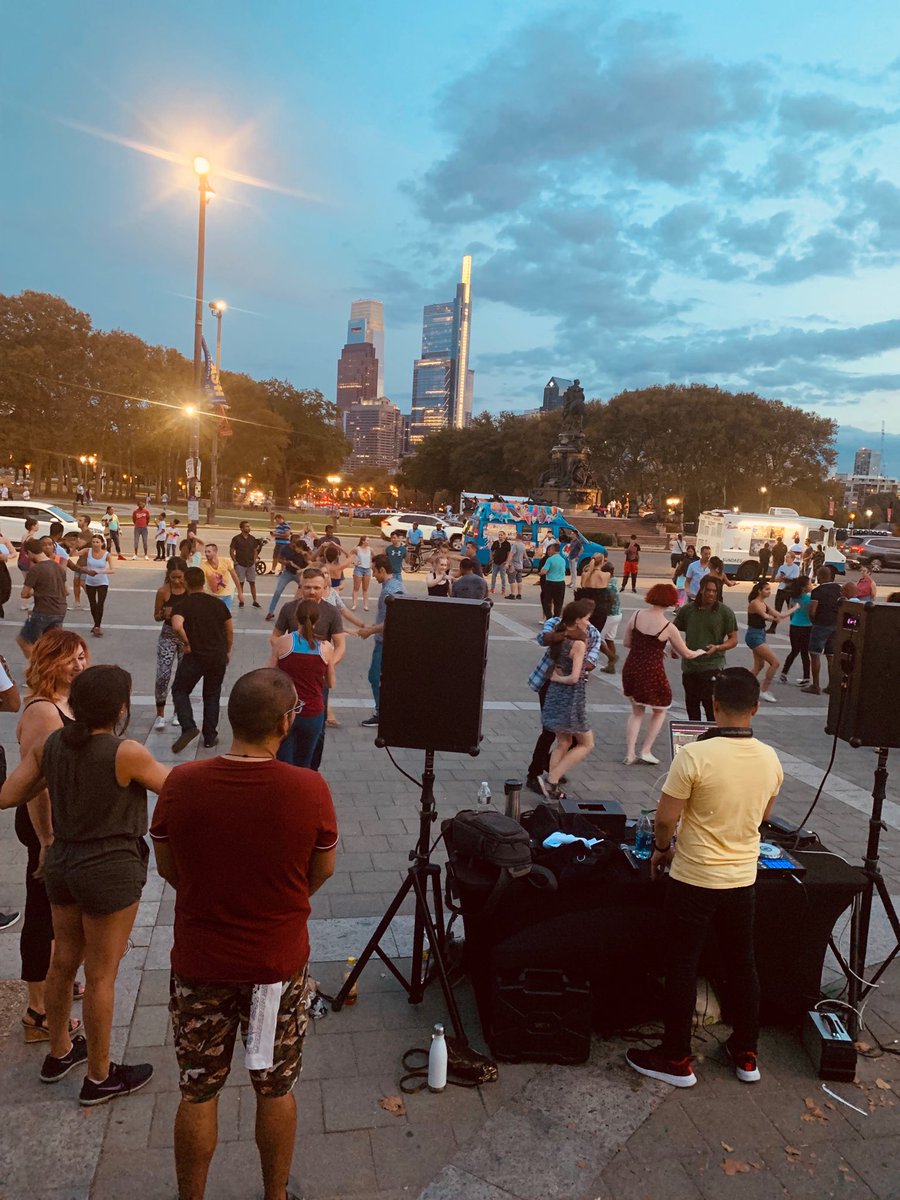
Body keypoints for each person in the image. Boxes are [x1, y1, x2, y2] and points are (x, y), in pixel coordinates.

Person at [149, 669, 337, 1200]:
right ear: (284, 723)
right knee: (275, 1087)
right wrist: (278, 903)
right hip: (275, 967)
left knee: (198, 1090)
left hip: (200, 963)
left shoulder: (182, 782)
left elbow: (168, 866)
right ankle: (274, 1195)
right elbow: (319, 872)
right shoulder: (309, 788)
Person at [0, 665, 169, 1105]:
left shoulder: (51, 744)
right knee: (101, 976)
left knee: (63, 965)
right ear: (120, 708)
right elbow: (175, 788)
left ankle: (58, 1052)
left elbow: (8, 795)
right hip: (109, 870)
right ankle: (99, 1077)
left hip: (63, 863)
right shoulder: (124, 751)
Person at [625, 668, 783, 1089]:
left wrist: (662, 850)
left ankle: (676, 1056)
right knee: (742, 963)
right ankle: (746, 1052)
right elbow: (764, 817)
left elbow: (665, 819)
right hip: (742, 878)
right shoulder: (770, 758)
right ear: (754, 709)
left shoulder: (694, 755)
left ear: (714, 706)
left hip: (694, 877)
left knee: (682, 963)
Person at [12, 631, 88, 1043]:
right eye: (69, 659)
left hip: (63, 825)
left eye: (82, 658)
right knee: (41, 915)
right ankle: (37, 1011)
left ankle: (58, 985)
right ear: (47, 663)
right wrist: (47, 840)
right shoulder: (42, 710)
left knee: (58, 914)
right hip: (46, 826)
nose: (78, 666)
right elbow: (36, 784)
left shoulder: (65, 702)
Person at [621, 583, 706, 765]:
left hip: (632, 667)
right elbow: (686, 654)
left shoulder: (636, 616)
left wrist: (649, 649)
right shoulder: (667, 626)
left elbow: (627, 642)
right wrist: (700, 651)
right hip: (652, 670)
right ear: (671, 601)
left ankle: (629, 753)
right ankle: (645, 750)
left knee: (637, 711)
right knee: (661, 709)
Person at [525, 598, 601, 795]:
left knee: (565, 740)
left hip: (559, 687)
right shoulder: (559, 626)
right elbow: (543, 639)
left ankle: (552, 775)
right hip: (559, 689)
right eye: (587, 618)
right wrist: (560, 674)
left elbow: (591, 660)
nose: (589, 622)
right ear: (577, 618)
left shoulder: (590, 633)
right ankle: (546, 777)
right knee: (573, 739)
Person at [272, 567, 348, 764]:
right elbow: (276, 636)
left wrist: (325, 665)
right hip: (289, 682)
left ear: (325, 588)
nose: (312, 591)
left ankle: (311, 772)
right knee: (284, 730)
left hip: (317, 682)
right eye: (308, 587)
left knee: (318, 732)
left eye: (317, 587)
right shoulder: (289, 608)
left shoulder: (331, 612)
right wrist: (284, 655)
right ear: (301, 586)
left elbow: (340, 645)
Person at [170, 567, 233, 752]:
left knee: (180, 690)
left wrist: (186, 642)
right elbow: (229, 629)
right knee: (212, 695)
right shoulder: (218, 604)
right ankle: (210, 737)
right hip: (217, 656)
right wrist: (228, 650)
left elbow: (176, 625)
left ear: (185, 582)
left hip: (195, 657)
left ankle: (188, 727)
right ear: (203, 582)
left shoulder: (183, 605)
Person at [269, 602, 335, 767]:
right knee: (304, 762)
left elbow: (270, 674)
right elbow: (331, 682)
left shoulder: (283, 642)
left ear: (296, 616)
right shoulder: (326, 647)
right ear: (317, 619)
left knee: (283, 762)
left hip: (285, 709)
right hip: (313, 712)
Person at [673, 577, 738, 720]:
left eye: (714, 591)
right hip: (690, 667)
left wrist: (718, 647)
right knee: (692, 708)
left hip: (713, 665)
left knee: (711, 709)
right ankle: (697, 740)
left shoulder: (724, 612)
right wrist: (676, 647)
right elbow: (673, 629)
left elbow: (734, 639)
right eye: (708, 590)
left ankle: (713, 739)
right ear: (701, 590)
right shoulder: (687, 610)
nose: (711, 594)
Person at [358, 554, 404, 727]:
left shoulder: (390, 590)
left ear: (382, 570)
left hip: (386, 642)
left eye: (374, 571)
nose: (373, 575)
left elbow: (393, 620)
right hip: (385, 640)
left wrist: (370, 630)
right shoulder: (393, 584)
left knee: (375, 676)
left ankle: (382, 713)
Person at [16, 539, 68, 659]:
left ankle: (37, 668)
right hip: (60, 610)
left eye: (27, 554)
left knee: (24, 640)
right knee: (52, 644)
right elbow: (66, 591)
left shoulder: (36, 569)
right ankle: (54, 667)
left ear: (30, 552)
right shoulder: (58, 567)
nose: (27, 557)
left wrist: (37, 592)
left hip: (43, 611)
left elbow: (24, 594)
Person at [153, 558, 188, 731]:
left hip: (185, 637)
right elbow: (156, 616)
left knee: (182, 676)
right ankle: (160, 714)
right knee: (163, 675)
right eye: (173, 577)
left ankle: (177, 712)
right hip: (167, 636)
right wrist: (163, 614)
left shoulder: (190, 591)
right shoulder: (163, 592)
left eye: (179, 577)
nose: (176, 581)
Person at [745, 580, 793, 702]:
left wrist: (795, 608)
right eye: (766, 589)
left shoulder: (764, 604)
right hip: (754, 635)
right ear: (759, 590)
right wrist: (775, 619)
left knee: (759, 665)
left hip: (760, 634)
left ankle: (743, 687)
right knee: (775, 662)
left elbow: (780, 615)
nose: (769, 592)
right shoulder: (755, 603)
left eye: (769, 589)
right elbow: (765, 617)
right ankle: (764, 690)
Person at [802, 566, 844, 697]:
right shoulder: (839, 589)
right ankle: (831, 685)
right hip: (835, 624)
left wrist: (812, 620)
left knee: (815, 654)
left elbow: (813, 610)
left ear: (819, 576)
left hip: (821, 624)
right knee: (831, 655)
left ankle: (816, 685)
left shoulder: (817, 591)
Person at [265, 534, 309, 621]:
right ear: (291, 542)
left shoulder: (304, 548)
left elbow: (312, 559)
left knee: (306, 591)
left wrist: (306, 555)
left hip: (300, 574)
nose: (297, 545)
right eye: (295, 543)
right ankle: (270, 611)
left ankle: (306, 612)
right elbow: (279, 559)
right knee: (278, 590)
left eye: (298, 543)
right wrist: (285, 563)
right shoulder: (285, 548)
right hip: (288, 572)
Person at [780, 576, 813, 687]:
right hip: (806, 626)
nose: (811, 585)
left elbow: (791, 611)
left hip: (794, 625)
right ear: (804, 588)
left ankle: (784, 672)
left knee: (794, 650)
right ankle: (806, 677)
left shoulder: (793, 598)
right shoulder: (809, 599)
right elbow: (811, 613)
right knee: (805, 652)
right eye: (809, 584)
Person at [80, 534, 114, 637]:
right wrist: (75, 545)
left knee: (100, 604)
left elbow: (112, 570)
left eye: (97, 542)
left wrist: (99, 571)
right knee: (92, 604)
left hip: (102, 582)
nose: (95, 544)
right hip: (90, 581)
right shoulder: (87, 551)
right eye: (93, 542)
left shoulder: (106, 554)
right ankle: (96, 624)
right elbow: (73, 554)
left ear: (102, 543)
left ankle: (97, 626)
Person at [229, 520, 262, 610]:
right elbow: (232, 550)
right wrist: (235, 561)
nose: (248, 528)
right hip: (240, 563)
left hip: (250, 564)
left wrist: (254, 561)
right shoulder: (236, 539)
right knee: (240, 583)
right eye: (246, 526)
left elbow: (255, 550)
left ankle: (255, 601)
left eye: (249, 526)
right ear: (242, 528)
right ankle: (241, 600)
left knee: (252, 582)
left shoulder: (253, 539)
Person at [576, 554, 611, 635]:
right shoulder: (606, 575)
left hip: (586, 607)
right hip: (600, 608)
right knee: (597, 633)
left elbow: (582, 586)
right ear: (602, 562)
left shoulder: (585, 575)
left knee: (584, 633)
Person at [199, 543, 239, 613]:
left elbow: (234, 576)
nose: (206, 554)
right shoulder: (203, 566)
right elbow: (200, 581)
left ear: (215, 552)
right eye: (205, 552)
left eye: (209, 551)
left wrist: (240, 591)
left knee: (226, 616)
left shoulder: (226, 561)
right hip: (212, 596)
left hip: (226, 596)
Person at [768, 551, 799, 632]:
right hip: (781, 589)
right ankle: (773, 628)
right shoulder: (782, 567)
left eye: (788, 557)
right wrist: (783, 578)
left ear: (792, 559)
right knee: (777, 609)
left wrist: (784, 578)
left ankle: (793, 628)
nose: (786, 558)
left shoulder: (795, 568)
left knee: (791, 610)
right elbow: (776, 578)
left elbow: (793, 579)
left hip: (789, 591)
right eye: (786, 557)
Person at [540, 542, 567, 618]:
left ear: (553, 550)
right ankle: (556, 617)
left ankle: (549, 617)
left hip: (551, 582)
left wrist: (540, 573)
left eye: (550, 549)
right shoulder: (562, 560)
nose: (549, 551)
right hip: (561, 582)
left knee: (546, 601)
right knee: (558, 602)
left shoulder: (550, 559)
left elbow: (544, 571)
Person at [348, 536, 373, 611]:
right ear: (363, 541)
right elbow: (349, 555)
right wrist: (353, 562)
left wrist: (372, 564)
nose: (368, 542)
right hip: (359, 569)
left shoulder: (370, 549)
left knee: (365, 588)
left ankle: (365, 605)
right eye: (367, 540)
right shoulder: (357, 549)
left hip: (367, 569)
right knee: (356, 588)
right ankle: (354, 604)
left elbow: (375, 557)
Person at [506, 532, 528, 600]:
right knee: (519, 580)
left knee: (512, 580)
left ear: (517, 537)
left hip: (514, 565)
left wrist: (507, 563)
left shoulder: (515, 545)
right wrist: (527, 561)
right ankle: (519, 594)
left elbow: (511, 554)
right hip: (520, 565)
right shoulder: (523, 545)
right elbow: (525, 555)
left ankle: (512, 594)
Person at [489, 531, 512, 597]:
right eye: (499, 535)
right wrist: (491, 559)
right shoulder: (496, 543)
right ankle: (492, 589)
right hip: (495, 562)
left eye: (501, 535)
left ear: (504, 536)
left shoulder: (507, 544)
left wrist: (507, 561)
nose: (500, 536)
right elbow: (491, 550)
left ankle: (503, 589)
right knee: (493, 576)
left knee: (503, 576)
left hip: (503, 562)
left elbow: (509, 553)